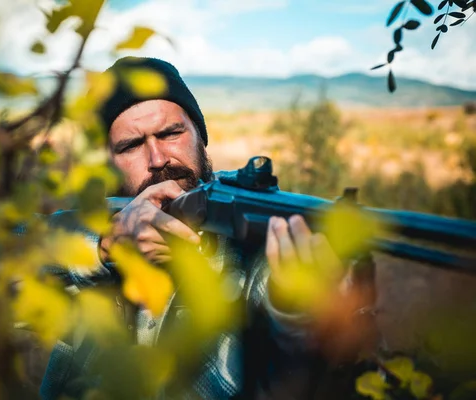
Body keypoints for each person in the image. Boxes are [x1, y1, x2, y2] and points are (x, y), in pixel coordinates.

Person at [38, 57, 377, 399]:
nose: (158, 159)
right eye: (131, 145)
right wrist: (106, 246)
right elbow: (6, 253)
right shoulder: (103, 230)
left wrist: (293, 313)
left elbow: (291, 373)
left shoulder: (246, 234)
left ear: (200, 137)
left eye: (171, 133)